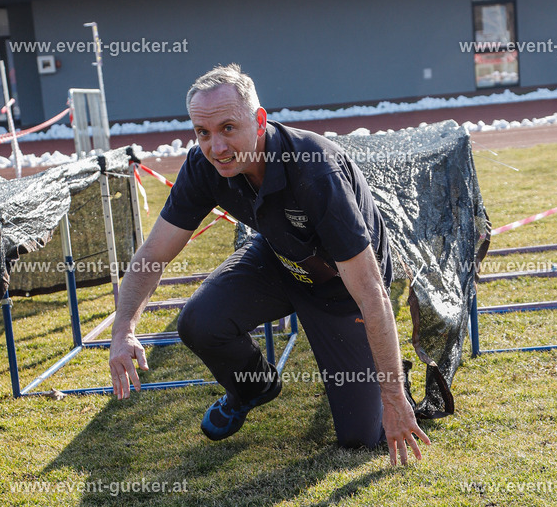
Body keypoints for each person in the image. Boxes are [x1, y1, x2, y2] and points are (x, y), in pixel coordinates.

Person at [109, 64, 429, 467]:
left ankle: (389, 371)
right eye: (202, 133)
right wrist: (124, 331)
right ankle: (254, 387)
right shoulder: (202, 165)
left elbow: (372, 293)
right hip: (280, 257)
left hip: (343, 286)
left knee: (363, 437)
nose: (216, 147)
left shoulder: (316, 170)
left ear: (260, 121)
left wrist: (393, 397)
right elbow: (152, 256)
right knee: (199, 321)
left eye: (228, 128)